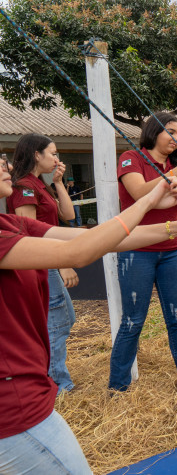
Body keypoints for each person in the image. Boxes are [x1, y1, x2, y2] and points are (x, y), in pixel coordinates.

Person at [0, 159, 177, 474]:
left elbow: (91, 238)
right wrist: (147, 201)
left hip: (26, 395)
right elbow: (77, 254)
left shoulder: (9, 223)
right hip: (13, 409)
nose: (6, 167)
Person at [109, 112, 177, 393]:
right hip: (136, 249)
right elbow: (140, 193)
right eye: (171, 132)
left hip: (173, 250)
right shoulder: (132, 158)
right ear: (154, 130)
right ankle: (118, 388)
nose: (176, 139)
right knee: (133, 320)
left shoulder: (176, 163)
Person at [7, 134, 79, 394]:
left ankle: (52, 378)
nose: (57, 159)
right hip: (43, 262)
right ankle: (57, 384)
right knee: (57, 323)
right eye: (53, 153)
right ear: (36, 154)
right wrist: (63, 261)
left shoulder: (39, 184)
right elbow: (29, 236)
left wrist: (58, 183)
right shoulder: (24, 188)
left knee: (64, 319)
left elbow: (68, 215)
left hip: (50, 260)